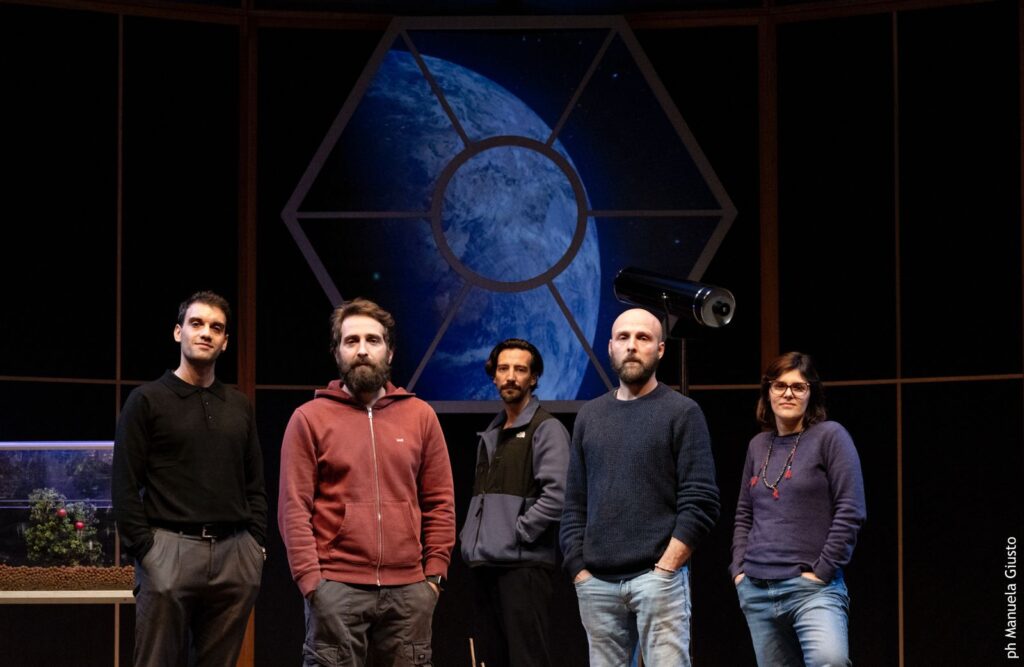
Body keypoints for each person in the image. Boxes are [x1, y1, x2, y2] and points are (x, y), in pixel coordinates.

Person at [278, 298, 456, 667]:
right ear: (337, 352)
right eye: (351, 341)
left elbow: (440, 502)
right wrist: (312, 583)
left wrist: (434, 578)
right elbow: (294, 508)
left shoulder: (421, 416)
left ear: (389, 353)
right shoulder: (309, 419)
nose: (362, 350)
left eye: (373, 340)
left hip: (409, 592)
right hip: (336, 589)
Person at [112, 290, 267, 667]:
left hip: (234, 555)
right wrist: (147, 551)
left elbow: (255, 483)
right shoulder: (147, 400)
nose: (206, 333)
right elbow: (124, 484)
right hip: (169, 549)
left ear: (225, 341)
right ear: (178, 332)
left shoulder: (239, 405)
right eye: (196, 323)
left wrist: (255, 546)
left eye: (216, 327)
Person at [560, 308, 720, 666]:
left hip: (657, 579)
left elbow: (701, 501)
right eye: (623, 337)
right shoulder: (589, 416)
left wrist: (666, 568)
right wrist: (579, 570)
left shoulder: (682, 412)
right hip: (597, 583)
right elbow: (574, 503)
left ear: (660, 349)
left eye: (643, 337)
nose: (632, 345)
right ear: (610, 347)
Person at [730, 351, 866, 667]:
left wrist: (823, 570)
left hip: (811, 589)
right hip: (757, 588)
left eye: (798, 386)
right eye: (780, 385)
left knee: (829, 661)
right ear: (768, 391)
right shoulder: (757, 445)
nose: (788, 393)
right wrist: (738, 570)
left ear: (811, 393)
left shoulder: (830, 436)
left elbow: (851, 509)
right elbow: (744, 513)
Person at [460, 338, 571, 667]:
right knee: (493, 659)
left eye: (520, 370)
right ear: (494, 376)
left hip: (523, 569)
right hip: (486, 565)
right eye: (503, 369)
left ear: (533, 378)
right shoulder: (493, 432)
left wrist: (518, 533)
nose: (510, 376)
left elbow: (558, 496)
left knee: (527, 660)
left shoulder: (546, 429)